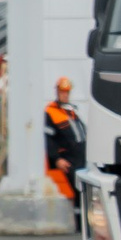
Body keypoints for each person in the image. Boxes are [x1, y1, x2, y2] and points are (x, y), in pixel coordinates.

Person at [43, 75, 86, 207]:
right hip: (68, 160)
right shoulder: (51, 112)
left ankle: (83, 224)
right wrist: (57, 159)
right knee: (79, 192)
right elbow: (47, 138)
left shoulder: (71, 112)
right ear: (57, 92)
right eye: (62, 92)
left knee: (85, 194)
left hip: (81, 158)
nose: (65, 95)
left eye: (67, 92)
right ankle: (79, 224)